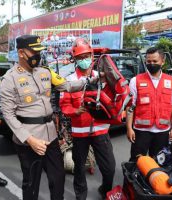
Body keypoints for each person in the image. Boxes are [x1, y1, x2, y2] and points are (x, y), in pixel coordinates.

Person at [0, 35, 98, 200]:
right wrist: (30, 140)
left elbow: (67, 85)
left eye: (40, 51)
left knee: (58, 178)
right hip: (28, 140)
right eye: (34, 52)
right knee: (31, 183)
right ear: (21, 53)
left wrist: (92, 80)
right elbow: (8, 115)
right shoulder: (9, 79)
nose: (38, 55)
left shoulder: (46, 72)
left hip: (51, 136)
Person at [60, 38, 116, 200]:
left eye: (86, 56)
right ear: (75, 59)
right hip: (80, 134)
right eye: (79, 57)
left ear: (92, 56)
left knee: (109, 168)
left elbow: (113, 98)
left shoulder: (102, 77)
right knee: (79, 169)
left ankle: (105, 189)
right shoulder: (70, 81)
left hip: (101, 131)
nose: (83, 60)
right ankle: (80, 196)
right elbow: (64, 105)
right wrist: (75, 111)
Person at [126, 47, 172, 162]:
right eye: (149, 61)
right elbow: (130, 106)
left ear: (162, 62)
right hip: (141, 132)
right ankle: (129, 181)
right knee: (136, 163)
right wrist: (129, 128)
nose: (152, 64)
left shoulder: (171, 81)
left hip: (162, 132)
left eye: (155, 61)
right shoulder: (136, 80)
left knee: (158, 163)